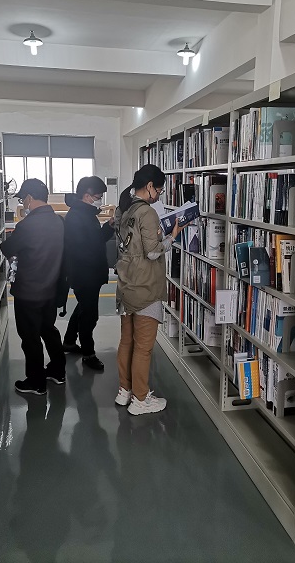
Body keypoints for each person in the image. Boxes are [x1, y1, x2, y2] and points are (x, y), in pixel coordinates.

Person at [115, 165, 184, 415]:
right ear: (150, 186)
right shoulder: (147, 212)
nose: (159, 195)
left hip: (126, 285)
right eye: (160, 190)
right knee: (143, 347)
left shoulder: (123, 208)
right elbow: (152, 252)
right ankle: (141, 400)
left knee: (127, 342)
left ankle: (125, 391)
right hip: (145, 286)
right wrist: (172, 236)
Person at [0, 178, 66, 395]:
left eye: (22, 199)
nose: (23, 203)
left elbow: (8, 248)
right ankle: (58, 371)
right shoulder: (58, 221)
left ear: (29, 197)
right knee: (49, 330)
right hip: (51, 289)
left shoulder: (26, 225)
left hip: (28, 292)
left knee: (30, 338)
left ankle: (36, 382)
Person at [63, 176, 114, 371]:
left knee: (83, 308)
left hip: (89, 273)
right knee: (90, 315)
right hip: (85, 274)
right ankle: (88, 354)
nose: (99, 200)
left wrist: (108, 227)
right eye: (98, 197)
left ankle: (69, 342)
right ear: (86, 196)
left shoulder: (85, 213)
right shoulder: (77, 217)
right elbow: (85, 248)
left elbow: (95, 240)